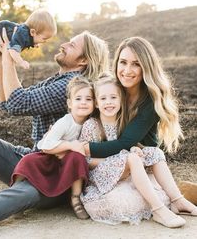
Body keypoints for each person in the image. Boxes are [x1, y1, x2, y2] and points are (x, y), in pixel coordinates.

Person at [0, 30, 109, 233]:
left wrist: (10, 54)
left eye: (72, 45)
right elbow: (8, 104)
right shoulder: (57, 80)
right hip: (35, 158)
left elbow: (19, 102)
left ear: (83, 60)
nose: (63, 45)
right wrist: (4, 57)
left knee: (20, 194)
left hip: (57, 175)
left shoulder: (69, 87)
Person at [76, 37, 197, 226]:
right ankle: (160, 209)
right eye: (123, 62)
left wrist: (85, 148)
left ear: (146, 67)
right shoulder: (113, 91)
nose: (127, 70)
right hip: (114, 162)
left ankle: (177, 200)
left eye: (136, 64)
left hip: (137, 160)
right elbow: (82, 107)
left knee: (152, 156)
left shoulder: (150, 101)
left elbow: (125, 143)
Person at [79, 74, 184, 227]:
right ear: (96, 103)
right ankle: (159, 210)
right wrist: (121, 160)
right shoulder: (92, 125)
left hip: (122, 169)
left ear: (121, 100)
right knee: (131, 159)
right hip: (99, 174)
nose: (109, 102)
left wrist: (134, 149)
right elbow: (84, 161)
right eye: (103, 99)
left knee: (155, 153)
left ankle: (177, 200)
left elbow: (127, 146)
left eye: (113, 97)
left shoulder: (124, 121)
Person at [12, 76, 95, 220]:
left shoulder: (92, 123)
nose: (83, 103)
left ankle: (76, 199)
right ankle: (16, 197)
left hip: (69, 162)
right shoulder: (65, 122)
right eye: (78, 99)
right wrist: (69, 145)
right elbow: (45, 145)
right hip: (51, 157)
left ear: (94, 103)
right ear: (69, 103)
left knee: (77, 158)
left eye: (88, 99)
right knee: (28, 160)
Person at [0, 9, 57, 97]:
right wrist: (21, 61)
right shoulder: (22, 35)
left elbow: (26, 42)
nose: (44, 41)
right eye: (44, 39)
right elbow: (13, 51)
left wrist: (34, 43)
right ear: (33, 32)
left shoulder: (27, 34)